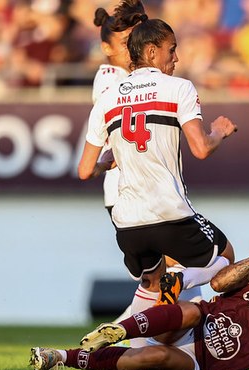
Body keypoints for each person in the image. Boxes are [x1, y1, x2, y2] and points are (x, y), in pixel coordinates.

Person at [77, 18, 237, 309]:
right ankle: (183, 282)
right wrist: (219, 132)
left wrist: (109, 162)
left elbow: (85, 170)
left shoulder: (107, 97)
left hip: (128, 224)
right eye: (171, 50)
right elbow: (201, 149)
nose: (176, 57)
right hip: (169, 213)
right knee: (225, 256)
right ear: (151, 52)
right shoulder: (179, 88)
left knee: (152, 286)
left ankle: (119, 339)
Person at [30, 234, 249, 370]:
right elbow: (220, 284)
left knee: (152, 356)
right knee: (195, 309)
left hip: (201, 364)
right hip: (186, 323)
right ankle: (116, 331)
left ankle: (57, 357)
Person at [87, 2, 205, 342]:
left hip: (146, 187)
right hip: (132, 190)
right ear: (108, 49)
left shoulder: (139, 81)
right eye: (126, 43)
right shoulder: (111, 80)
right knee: (177, 270)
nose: (132, 49)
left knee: (163, 277)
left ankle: (140, 340)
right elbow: (113, 142)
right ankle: (151, 341)